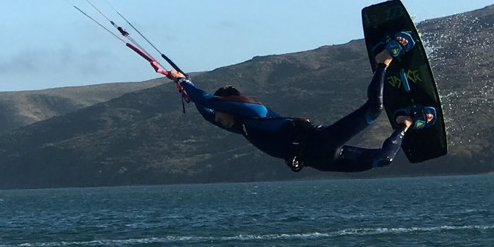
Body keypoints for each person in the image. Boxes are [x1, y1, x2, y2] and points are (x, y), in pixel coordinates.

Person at [168, 32, 437, 174]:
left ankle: (383, 61)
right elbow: (205, 110)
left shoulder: (254, 113)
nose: (217, 117)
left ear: (228, 105)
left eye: (219, 110)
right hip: (320, 160)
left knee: (374, 110)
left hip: (320, 141)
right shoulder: (242, 127)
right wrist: (184, 89)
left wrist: (184, 82)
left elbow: (206, 100)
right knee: (383, 161)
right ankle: (406, 122)